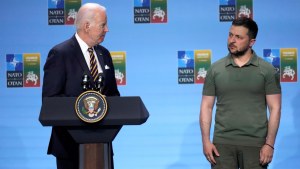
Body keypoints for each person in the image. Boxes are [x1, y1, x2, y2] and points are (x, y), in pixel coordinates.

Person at [42, 3, 120, 169]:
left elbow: (114, 96)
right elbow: (50, 101)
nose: (107, 29)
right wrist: (85, 107)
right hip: (69, 146)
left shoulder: (104, 54)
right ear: (87, 26)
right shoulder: (60, 53)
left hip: (102, 144)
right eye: (103, 25)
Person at [199, 17, 281, 169]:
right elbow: (206, 106)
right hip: (221, 145)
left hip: (256, 145)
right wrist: (205, 141)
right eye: (230, 35)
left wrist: (269, 144)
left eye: (238, 37)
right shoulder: (215, 69)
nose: (232, 40)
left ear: (251, 42)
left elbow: (275, 108)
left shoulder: (267, 70)